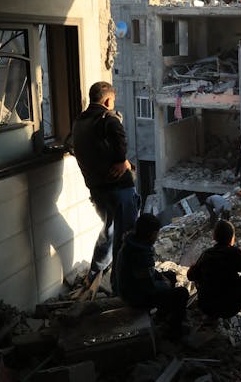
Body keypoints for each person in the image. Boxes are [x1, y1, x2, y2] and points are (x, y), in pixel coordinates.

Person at [72, 81, 140, 293]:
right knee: (126, 235)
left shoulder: (79, 121)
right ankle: (122, 285)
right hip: (118, 188)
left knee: (109, 230)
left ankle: (95, 274)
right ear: (108, 100)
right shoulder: (108, 118)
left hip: (97, 189)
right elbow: (119, 136)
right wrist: (123, 161)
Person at [117, 214, 189, 339]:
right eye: (156, 233)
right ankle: (173, 332)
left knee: (170, 275)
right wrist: (165, 285)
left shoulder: (132, 244)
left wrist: (162, 278)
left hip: (132, 287)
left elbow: (148, 272)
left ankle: (162, 314)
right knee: (182, 293)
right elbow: (149, 287)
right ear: (152, 234)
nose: (157, 237)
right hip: (135, 297)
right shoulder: (140, 255)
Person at [187, 220, 241, 321]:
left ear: (214, 236)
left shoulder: (207, 254)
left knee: (198, 272)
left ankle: (211, 316)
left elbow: (191, 276)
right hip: (228, 308)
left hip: (206, 307)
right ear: (232, 239)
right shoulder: (234, 253)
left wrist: (193, 268)